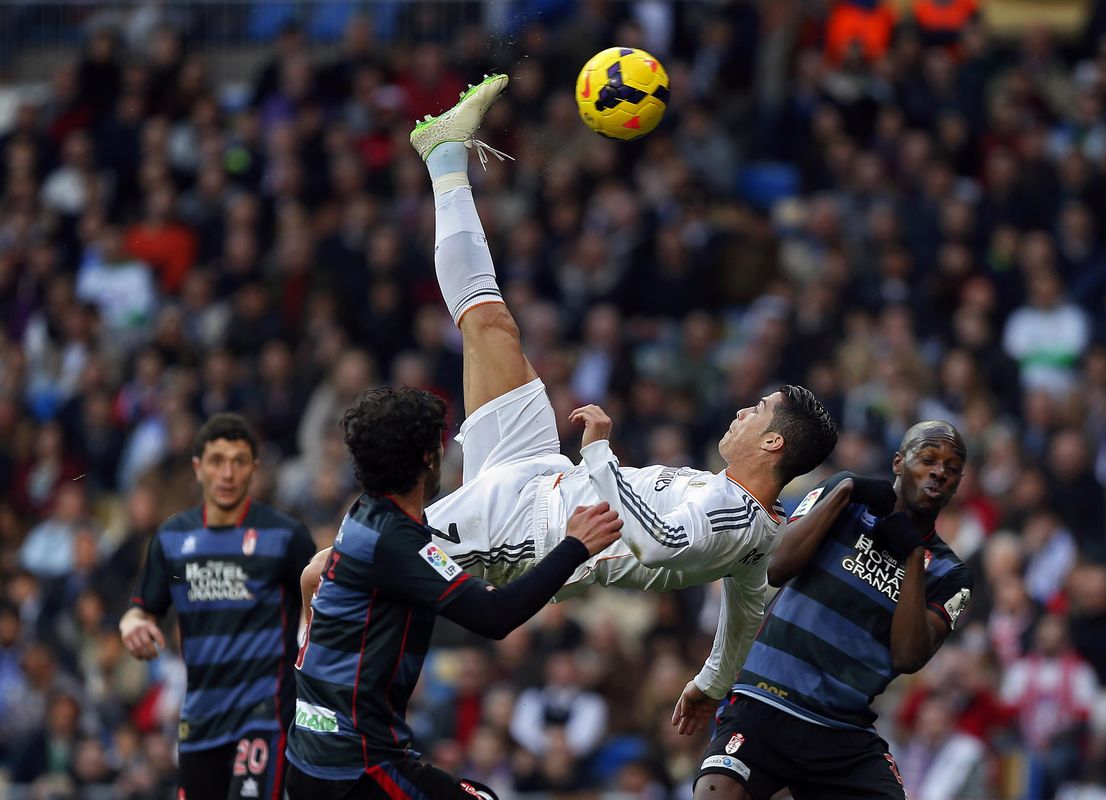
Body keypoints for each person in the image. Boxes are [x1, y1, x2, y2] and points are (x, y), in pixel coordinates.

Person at [363, 73, 835, 723]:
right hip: (539, 477)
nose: (741, 411)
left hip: (524, 532)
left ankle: (294, 641)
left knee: (360, 559)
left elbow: (652, 540)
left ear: (775, 442)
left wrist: (601, 452)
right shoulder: (757, 530)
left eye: (757, 412)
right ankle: (446, 155)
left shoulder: (735, 518)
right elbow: (746, 615)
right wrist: (713, 682)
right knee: (491, 325)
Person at [284, 386, 623, 799]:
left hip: (310, 754)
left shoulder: (363, 516)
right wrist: (575, 546)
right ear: (429, 457)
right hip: (356, 766)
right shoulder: (395, 540)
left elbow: (312, 575)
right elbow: (494, 616)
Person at [694, 420, 974, 799]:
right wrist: (843, 492)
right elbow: (776, 568)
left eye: (952, 468)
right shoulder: (844, 497)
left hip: (841, 732)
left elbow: (908, 656)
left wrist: (912, 558)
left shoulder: (950, 574)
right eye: (928, 459)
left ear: (957, 484)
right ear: (898, 463)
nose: (939, 472)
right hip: (765, 699)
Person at [119, 413, 316, 800]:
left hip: (265, 715)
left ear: (254, 469)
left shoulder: (285, 535)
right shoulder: (173, 537)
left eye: (239, 462)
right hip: (200, 718)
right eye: (217, 461)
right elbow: (142, 608)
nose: (227, 474)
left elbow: (319, 608)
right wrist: (131, 625)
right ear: (198, 467)